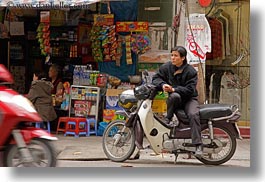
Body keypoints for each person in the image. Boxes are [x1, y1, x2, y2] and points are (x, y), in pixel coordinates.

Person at [152, 46, 203, 156]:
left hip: (189, 99)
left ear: (183, 58)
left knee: (193, 114)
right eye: (172, 55)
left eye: (176, 56)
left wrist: (174, 89)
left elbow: (190, 90)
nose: (173, 58)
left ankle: (198, 145)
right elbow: (156, 78)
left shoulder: (191, 71)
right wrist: (163, 84)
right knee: (174, 96)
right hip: (175, 100)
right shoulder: (167, 67)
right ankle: (168, 118)